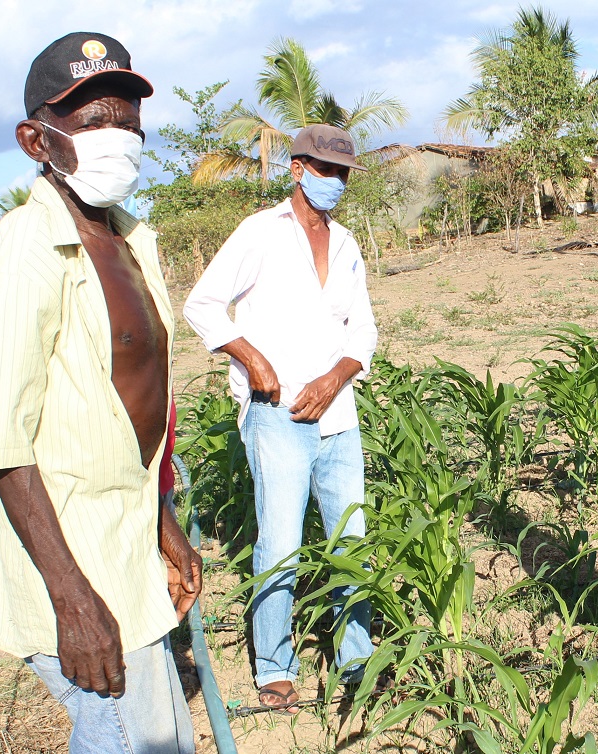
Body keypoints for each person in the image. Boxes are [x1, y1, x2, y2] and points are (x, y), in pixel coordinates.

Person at [0, 32, 200, 753]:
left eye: (126, 120)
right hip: (72, 561)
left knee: (160, 738)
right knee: (127, 736)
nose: (116, 136)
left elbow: (124, 414)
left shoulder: (132, 238)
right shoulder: (27, 245)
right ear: (38, 140)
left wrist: (161, 524)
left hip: (124, 538)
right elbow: (0, 440)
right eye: (92, 122)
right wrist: (73, 601)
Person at [184, 124, 379, 710]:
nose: (335, 182)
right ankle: (274, 666)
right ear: (297, 169)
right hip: (276, 415)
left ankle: (357, 659)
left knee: (352, 539)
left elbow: (363, 331)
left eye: (343, 173)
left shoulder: (346, 243)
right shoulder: (259, 234)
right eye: (325, 170)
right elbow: (202, 305)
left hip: (338, 413)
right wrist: (252, 360)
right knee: (282, 542)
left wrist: (335, 377)